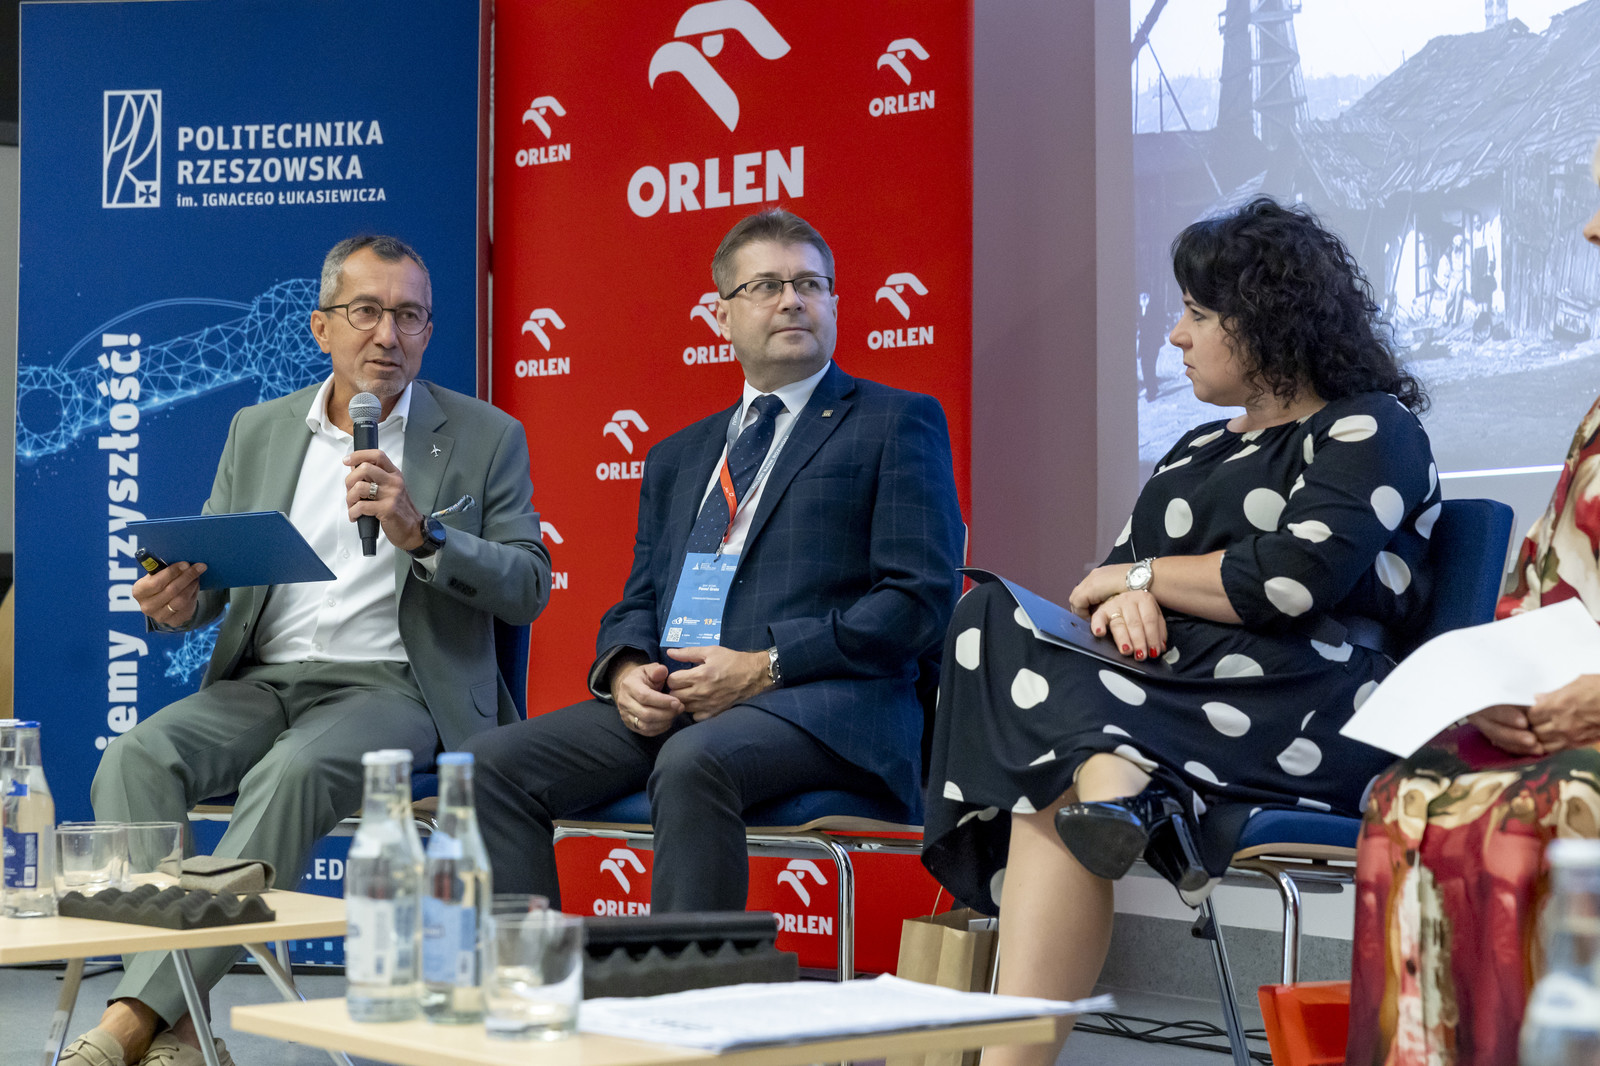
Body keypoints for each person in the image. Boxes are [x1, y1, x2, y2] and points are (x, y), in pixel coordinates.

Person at [922, 196, 1437, 1065]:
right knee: (988, 616)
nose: (1175, 335)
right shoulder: (1196, 446)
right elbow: (1100, 586)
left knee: (1058, 770)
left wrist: (1145, 580)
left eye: (1198, 314)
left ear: (1267, 320)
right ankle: (1113, 784)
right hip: (1170, 687)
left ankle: (1116, 777)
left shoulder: (1370, 425)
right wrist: (1124, 591)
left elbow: (1289, 581)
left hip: (1307, 701)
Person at [62, 235, 551, 1066]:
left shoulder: (483, 436)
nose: (387, 335)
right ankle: (178, 1023)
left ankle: (130, 1021)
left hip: (397, 689)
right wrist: (177, 601)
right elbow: (213, 577)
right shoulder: (258, 429)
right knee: (134, 759)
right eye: (366, 311)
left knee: (294, 770)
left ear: (429, 332)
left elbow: (529, 584)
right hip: (264, 681)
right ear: (321, 327)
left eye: (409, 316)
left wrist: (424, 535)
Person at [463, 208, 964, 912]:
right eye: (766, 286)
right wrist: (626, 668)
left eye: (809, 284)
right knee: (492, 766)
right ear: (721, 315)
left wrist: (766, 666)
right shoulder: (679, 455)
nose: (792, 300)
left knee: (693, 760)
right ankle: (529, 969)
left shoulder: (895, 421)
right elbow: (640, 598)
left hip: (828, 707)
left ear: (833, 303)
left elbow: (919, 600)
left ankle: (688, 979)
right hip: (685, 699)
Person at [1346, 139, 1600, 1066]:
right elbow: (1540, 588)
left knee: (1540, 812)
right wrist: (1496, 688)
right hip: (1568, 716)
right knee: (1405, 797)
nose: (1590, 230)